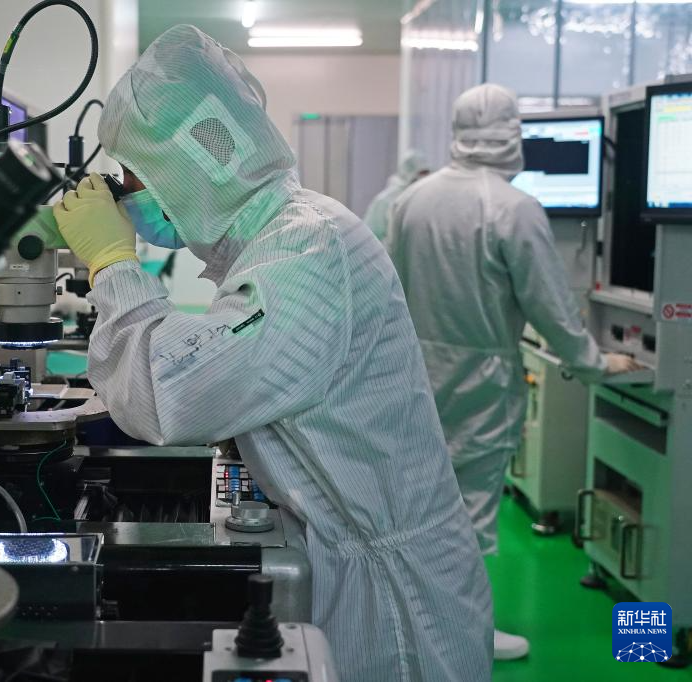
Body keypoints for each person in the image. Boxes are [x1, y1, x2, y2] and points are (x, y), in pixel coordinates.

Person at [53, 24, 492, 682]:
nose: (128, 195)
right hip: (358, 557)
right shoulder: (281, 238)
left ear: (189, 167)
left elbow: (168, 395)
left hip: (396, 604)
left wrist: (113, 263)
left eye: (133, 177)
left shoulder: (306, 250)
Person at [386, 83, 641, 661]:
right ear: (510, 133)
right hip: (481, 383)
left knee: (420, 509)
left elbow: (391, 292)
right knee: (472, 517)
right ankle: (464, 638)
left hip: (413, 378)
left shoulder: (412, 201)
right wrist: (596, 364)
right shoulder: (513, 207)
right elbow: (550, 306)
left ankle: (416, 626)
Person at [363, 150, 429, 241]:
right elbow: (371, 235)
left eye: (426, 172)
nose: (423, 177)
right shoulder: (385, 201)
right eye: (420, 173)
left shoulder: (425, 199)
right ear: (408, 173)